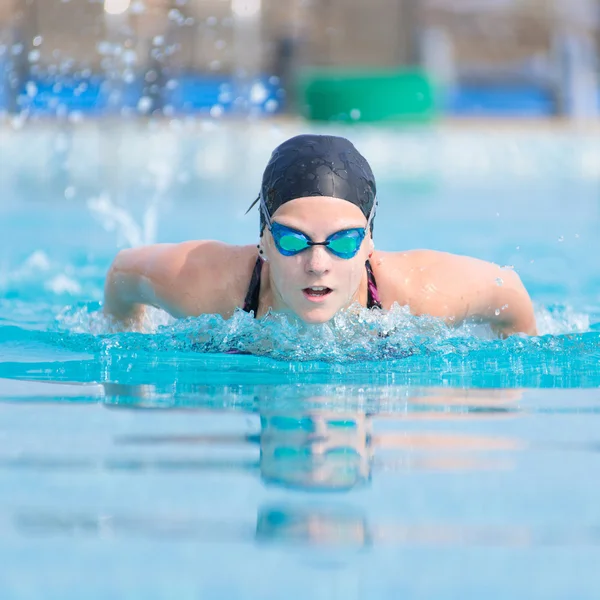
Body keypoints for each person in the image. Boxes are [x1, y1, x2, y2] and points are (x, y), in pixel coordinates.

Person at [103, 134, 537, 337]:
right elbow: (123, 272)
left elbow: (510, 294)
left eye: (343, 241)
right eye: (293, 240)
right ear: (265, 242)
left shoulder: (420, 295)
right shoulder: (206, 285)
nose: (317, 263)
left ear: (368, 243)